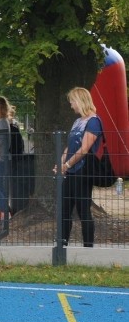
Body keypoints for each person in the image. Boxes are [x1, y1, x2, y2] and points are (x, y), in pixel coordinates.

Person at [59, 87, 103, 248]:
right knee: (64, 210)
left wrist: (68, 164)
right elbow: (69, 146)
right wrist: (61, 162)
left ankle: (88, 248)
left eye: (72, 101)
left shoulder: (94, 121)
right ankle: (62, 245)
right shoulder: (77, 121)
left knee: (83, 211)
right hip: (70, 171)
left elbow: (84, 149)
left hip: (82, 171)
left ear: (79, 100)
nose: (71, 105)